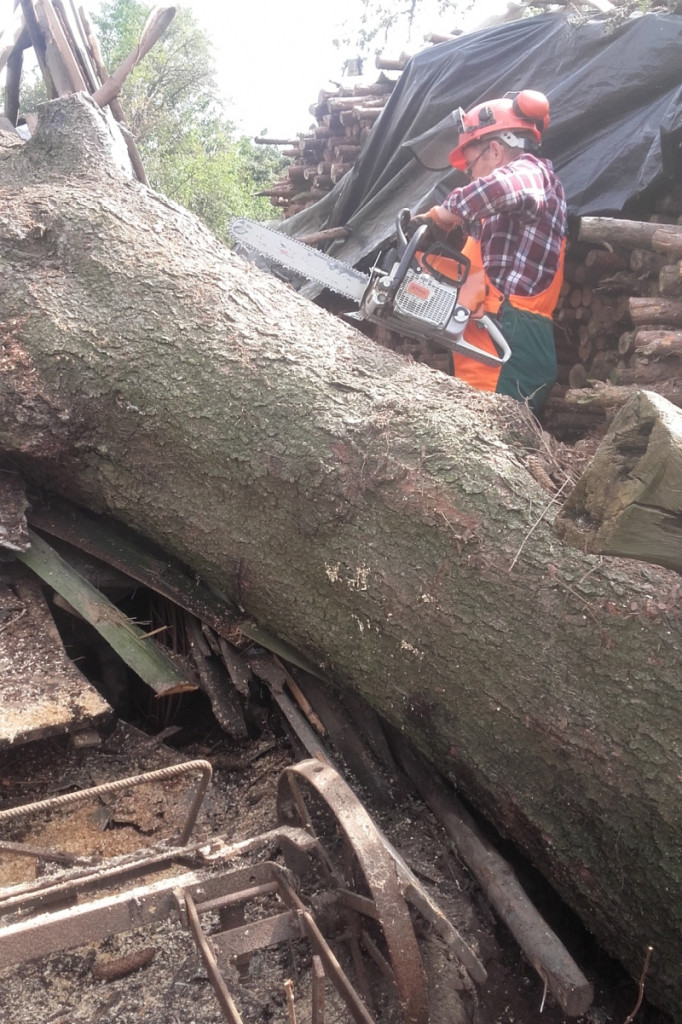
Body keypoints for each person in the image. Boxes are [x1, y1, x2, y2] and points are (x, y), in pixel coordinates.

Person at [410, 90, 567, 414]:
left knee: (489, 442)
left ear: (494, 151)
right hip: (489, 332)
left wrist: (442, 214)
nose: (469, 175)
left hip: (511, 336)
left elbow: (500, 187)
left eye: (470, 167)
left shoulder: (533, 173)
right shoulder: (500, 214)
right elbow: (477, 275)